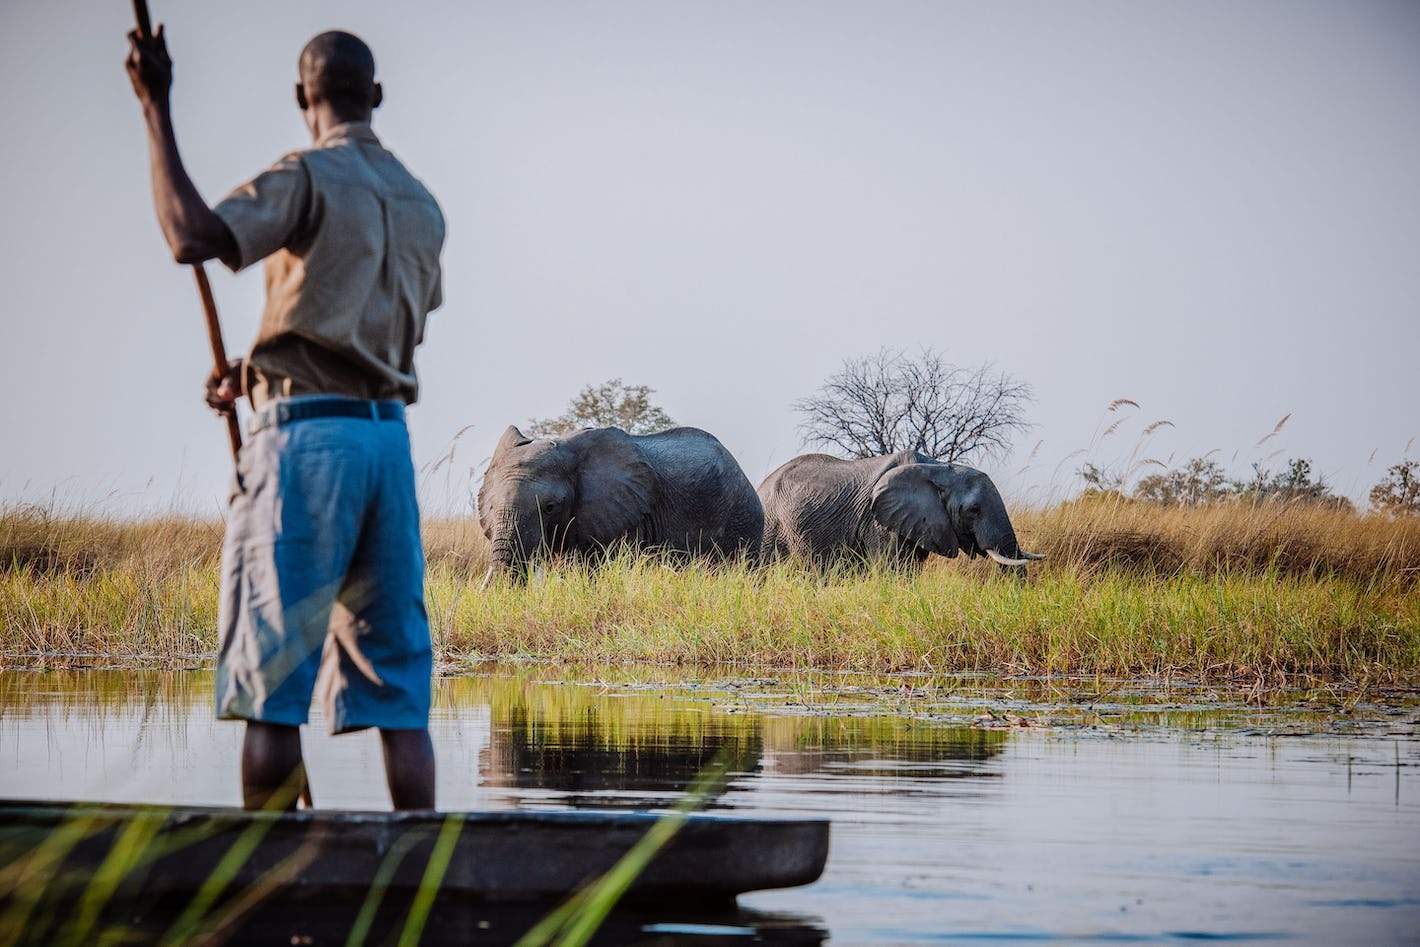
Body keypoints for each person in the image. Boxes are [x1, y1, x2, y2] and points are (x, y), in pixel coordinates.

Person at [126, 26, 444, 810]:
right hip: (385, 445)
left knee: (271, 685)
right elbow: (371, 330)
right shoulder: (420, 203)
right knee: (400, 696)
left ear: (305, 99)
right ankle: (425, 876)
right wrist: (251, 375)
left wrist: (155, 107)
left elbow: (190, 236)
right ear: (374, 97)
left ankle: (266, 890)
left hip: (307, 447)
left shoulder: (308, 174)